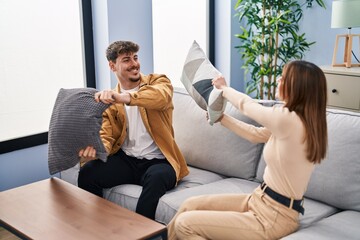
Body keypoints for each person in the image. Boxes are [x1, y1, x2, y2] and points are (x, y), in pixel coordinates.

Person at [167, 60, 328, 239]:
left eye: (284, 78)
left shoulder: (290, 120)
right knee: (190, 205)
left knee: (185, 224)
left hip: (274, 217)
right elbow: (256, 134)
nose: (278, 80)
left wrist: (224, 89)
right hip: (259, 199)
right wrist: (222, 119)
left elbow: (248, 106)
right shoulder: (296, 121)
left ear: (297, 87)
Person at [77, 40, 189, 220]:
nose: (134, 64)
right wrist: (94, 151)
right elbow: (106, 137)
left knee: (157, 178)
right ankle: (97, 226)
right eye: (126, 59)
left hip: (160, 161)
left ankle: (142, 233)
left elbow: (161, 98)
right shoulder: (111, 104)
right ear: (112, 66)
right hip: (127, 161)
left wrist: (122, 97)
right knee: (88, 172)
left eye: (135, 58)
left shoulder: (158, 81)